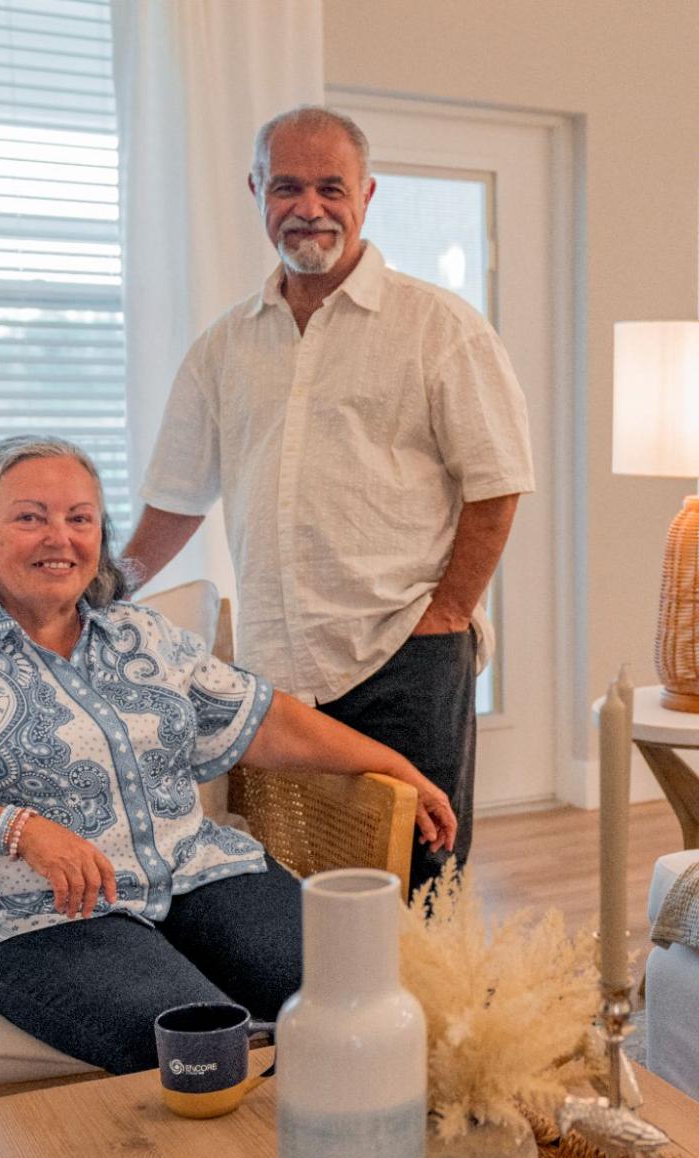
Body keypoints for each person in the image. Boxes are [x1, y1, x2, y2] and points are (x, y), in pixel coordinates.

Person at [0, 436, 457, 1074]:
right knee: (207, 1052)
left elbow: (265, 720)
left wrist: (398, 767)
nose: (59, 538)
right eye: (29, 517)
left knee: (365, 999)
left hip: (198, 874)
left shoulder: (139, 633)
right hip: (32, 913)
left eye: (80, 518)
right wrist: (19, 829)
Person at [120, 105, 534, 889]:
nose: (308, 207)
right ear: (255, 192)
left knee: (420, 883)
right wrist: (99, 593)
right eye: (286, 186)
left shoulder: (439, 327)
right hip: (276, 672)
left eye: (329, 187)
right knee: (295, 880)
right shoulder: (223, 345)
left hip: (403, 653)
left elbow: (497, 484)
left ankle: (433, 1016)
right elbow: (175, 498)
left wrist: (444, 614)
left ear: (367, 194)